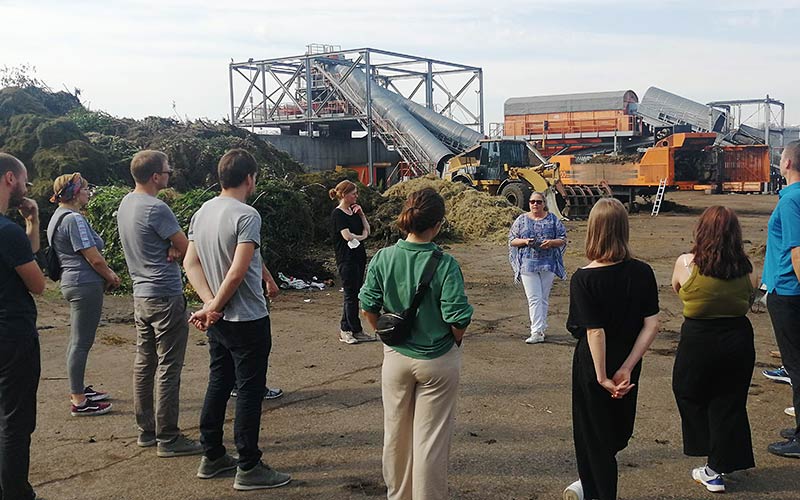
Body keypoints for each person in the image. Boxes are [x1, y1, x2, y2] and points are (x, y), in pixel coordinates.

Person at [183, 149, 290, 490]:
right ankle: (249, 465)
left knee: (219, 382)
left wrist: (209, 305)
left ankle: (212, 455)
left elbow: (191, 263)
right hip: (247, 318)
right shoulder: (247, 215)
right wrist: (214, 305)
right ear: (249, 178)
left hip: (220, 319)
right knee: (249, 390)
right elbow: (239, 270)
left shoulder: (202, 212)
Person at [360, 188, 473, 500]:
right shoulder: (446, 263)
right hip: (437, 359)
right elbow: (457, 317)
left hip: (396, 356)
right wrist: (454, 343)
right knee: (430, 440)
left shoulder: (383, 257)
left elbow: (368, 306)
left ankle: (397, 495)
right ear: (437, 225)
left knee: (395, 434)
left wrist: (387, 338)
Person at [563, 198, 659, 500]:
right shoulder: (643, 272)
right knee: (617, 430)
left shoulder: (583, 278)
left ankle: (596, 491)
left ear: (593, 230)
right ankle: (590, 483)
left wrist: (603, 376)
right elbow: (652, 324)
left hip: (594, 364)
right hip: (628, 358)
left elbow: (594, 331)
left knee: (593, 437)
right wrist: (628, 367)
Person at [117, 150, 202, 457]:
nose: (169, 175)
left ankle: (146, 431)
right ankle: (169, 437)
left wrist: (171, 247)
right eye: (167, 171)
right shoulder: (157, 208)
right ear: (155, 176)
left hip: (141, 295)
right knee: (169, 366)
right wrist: (175, 249)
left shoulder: (126, 204)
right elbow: (187, 248)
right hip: (165, 294)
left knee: (144, 363)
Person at [670, 206, 756, 493]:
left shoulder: (685, 262)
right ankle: (718, 461)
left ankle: (712, 462)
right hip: (737, 338)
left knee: (688, 392)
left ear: (701, 231)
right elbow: (750, 299)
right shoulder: (747, 268)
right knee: (729, 402)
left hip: (699, 337)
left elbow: (677, 288)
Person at [47, 172, 119, 416]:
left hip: (72, 283)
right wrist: (111, 276)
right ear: (75, 192)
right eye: (86, 189)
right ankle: (79, 400)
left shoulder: (58, 216)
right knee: (81, 342)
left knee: (77, 340)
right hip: (84, 284)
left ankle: (78, 389)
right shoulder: (74, 220)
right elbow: (94, 258)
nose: (89, 193)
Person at [0, 153, 45, 500]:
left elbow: (22, 256)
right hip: (12, 335)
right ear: (10, 179)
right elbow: (37, 283)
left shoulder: (13, 232)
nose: (28, 187)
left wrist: (33, 222)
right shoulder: (6, 231)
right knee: (16, 421)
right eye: (25, 180)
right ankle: (17, 492)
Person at [764, 139, 800, 458]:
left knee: (796, 367)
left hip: (789, 291)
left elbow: (797, 250)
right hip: (789, 290)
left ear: (787, 164)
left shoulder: (790, 200)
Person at [508, 190, 567, 344]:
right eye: (532, 202)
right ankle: (536, 331)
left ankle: (541, 328)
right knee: (534, 298)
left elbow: (562, 238)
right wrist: (525, 241)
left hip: (547, 263)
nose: (535, 204)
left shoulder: (553, 219)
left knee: (543, 298)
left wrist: (552, 243)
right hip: (528, 264)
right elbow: (512, 240)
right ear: (529, 203)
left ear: (544, 204)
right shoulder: (521, 220)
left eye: (538, 202)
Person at [330, 179, 373, 344]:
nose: (356, 196)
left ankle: (355, 329)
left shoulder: (354, 212)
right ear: (344, 195)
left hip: (358, 256)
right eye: (353, 193)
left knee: (355, 294)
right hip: (346, 258)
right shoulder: (338, 214)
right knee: (350, 295)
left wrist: (361, 214)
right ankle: (346, 330)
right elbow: (347, 236)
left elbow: (367, 229)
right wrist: (361, 237)